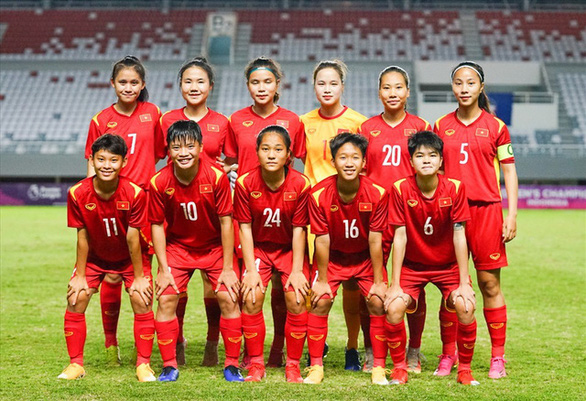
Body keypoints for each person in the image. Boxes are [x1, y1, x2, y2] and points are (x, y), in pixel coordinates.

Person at [434, 61, 518, 379]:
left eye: (470, 82)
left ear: (481, 87)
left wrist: (511, 213)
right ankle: (448, 354)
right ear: (452, 87)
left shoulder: (496, 126)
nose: (464, 88)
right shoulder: (440, 125)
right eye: (459, 82)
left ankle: (498, 357)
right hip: (450, 213)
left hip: (487, 212)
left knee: (489, 283)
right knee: (450, 287)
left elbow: (509, 170)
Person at [224, 56, 306, 367]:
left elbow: (300, 161)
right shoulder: (236, 120)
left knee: (284, 292)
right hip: (248, 209)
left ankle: (279, 348)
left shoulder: (292, 121)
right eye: (255, 82)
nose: (261, 87)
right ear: (248, 85)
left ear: (277, 85)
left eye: (267, 82)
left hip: (282, 207)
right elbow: (230, 161)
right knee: (250, 287)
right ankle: (250, 352)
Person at [84, 55, 166, 365]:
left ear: (142, 85)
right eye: (122, 82)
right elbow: (92, 163)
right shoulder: (100, 119)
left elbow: (163, 153)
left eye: (134, 82)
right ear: (112, 84)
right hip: (109, 205)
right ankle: (110, 344)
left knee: (145, 273)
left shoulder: (153, 113)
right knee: (112, 275)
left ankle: (153, 342)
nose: (128, 87)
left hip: (144, 203)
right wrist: (92, 203)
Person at [149, 120, 243, 382]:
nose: (184, 153)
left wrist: (227, 268)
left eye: (190, 146)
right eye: (176, 147)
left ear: (201, 147)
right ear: (168, 150)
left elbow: (226, 222)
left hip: (214, 247)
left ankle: (232, 365)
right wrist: (163, 269)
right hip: (178, 248)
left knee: (228, 297)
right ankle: (169, 365)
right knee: (166, 298)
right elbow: (156, 225)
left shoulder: (216, 177)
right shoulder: (159, 181)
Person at [384, 130, 479, 386]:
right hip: (412, 267)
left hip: (447, 267)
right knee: (393, 308)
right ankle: (400, 369)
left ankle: (465, 370)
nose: (426, 160)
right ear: (411, 161)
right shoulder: (400, 189)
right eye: (420, 155)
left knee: (465, 306)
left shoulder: (455, 188)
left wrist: (463, 282)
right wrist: (395, 284)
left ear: (441, 161)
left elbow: (460, 235)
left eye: (432, 155)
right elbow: (399, 237)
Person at [59, 134, 156, 382]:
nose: (106, 165)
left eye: (113, 160)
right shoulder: (77, 193)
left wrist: (139, 277)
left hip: (129, 259)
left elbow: (133, 239)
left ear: (124, 162)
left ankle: (143, 364)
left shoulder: (135, 193)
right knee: (76, 297)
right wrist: (80, 276)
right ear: (92, 160)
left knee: (141, 298)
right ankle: (76, 364)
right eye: (101, 159)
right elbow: (82, 237)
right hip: (95, 258)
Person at [359, 65, 431, 374]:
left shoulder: (421, 126)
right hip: (375, 216)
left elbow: (429, 170)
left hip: (410, 217)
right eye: (386, 87)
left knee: (414, 284)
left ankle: (413, 350)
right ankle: (371, 349)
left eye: (398, 87)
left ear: (408, 92)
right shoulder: (366, 128)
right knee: (370, 284)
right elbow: (360, 172)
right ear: (379, 92)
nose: (392, 93)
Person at [160, 57, 232, 367]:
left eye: (200, 81)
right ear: (180, 86)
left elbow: (233, 160)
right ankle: (176, 341)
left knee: (212, 285)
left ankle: (212, 343)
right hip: (177, 208)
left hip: (211, 208)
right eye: (188, 81)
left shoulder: (222, 122)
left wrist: (223, 172)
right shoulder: (166, 120)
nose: (194, 86)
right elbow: (157, 157)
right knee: (174, 284)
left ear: (210, 87)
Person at [301, 59, 369, 371]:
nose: (327, 89)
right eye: (321, 83)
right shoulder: (303, 123)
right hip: (315, 213)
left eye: (333, 83)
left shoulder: (358, 123)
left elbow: (366, 169)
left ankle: (352, 347)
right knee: (313, 283)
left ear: (342, 86)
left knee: (353, 289)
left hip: (349, 215)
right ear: (314, 87)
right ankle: (316, 342)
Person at [305, 133, 389, 385]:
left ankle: (378, 366)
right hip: (333, 259)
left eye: (355, 157)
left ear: (364, 162)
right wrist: (322, 280)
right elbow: (322, 240)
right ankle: (316, 366)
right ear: (333, 161)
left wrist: (379, 281)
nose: (349, 163)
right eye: (343, 157)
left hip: (364, 259)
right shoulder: (318, 194)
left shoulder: (377, 193)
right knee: (319, 301)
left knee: (378, 301)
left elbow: (375, 240)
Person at [234, 125, 312, 383]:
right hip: (259, 249)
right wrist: (250, 270)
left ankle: (293, 366)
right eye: (265, 149)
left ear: (288, 154)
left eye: (278, 149)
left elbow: (299, 230)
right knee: (251, 296)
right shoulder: (245, 183)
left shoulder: (301, 183)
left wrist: (298, 271)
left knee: (297, 299)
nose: (271, 154)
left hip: (289, 249)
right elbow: (244, 228)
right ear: (256, 152)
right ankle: (256, 364)